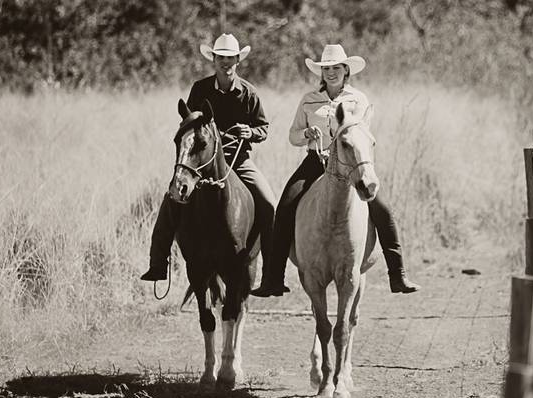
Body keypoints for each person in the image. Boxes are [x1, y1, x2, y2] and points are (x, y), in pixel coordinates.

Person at [251, 44, 421, 297]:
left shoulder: (358, 100)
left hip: (350, 163)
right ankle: (274, 278)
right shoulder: (309, 99)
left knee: (382, 209)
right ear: (321, 72)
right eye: (326, 69)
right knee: (285, 206)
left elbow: (362, 134)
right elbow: (293, 136)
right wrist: (306, 133)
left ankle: (397, 275)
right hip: (314, 161)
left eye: (336, 68)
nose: (331, 73)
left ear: (346, 70)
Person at [140, 33, 281, 284]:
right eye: (221, 58)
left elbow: (264, 128)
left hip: (238, 160)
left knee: (268, 203)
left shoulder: (249, 93)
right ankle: (158, 263)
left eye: (231, 58)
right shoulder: (200, 89)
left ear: (238, 60)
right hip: (202, 163)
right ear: (213, 60)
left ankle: (271, 273)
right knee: (172, 197)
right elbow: (190, 124)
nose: (226, 63)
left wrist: (250, 132)